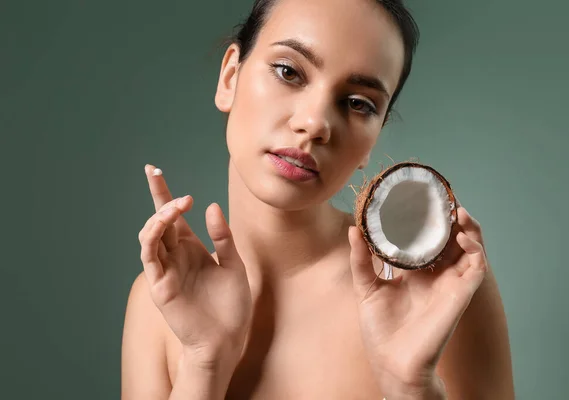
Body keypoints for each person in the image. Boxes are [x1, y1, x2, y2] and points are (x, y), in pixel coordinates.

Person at [121, 0, 515, 398]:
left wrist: (410, 387)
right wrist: (203, 363)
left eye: (359, 104)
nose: (314, 123)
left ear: (372, 142)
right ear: (229, 77)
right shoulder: (158, 302)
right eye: (289, 72)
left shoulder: (436, 288)